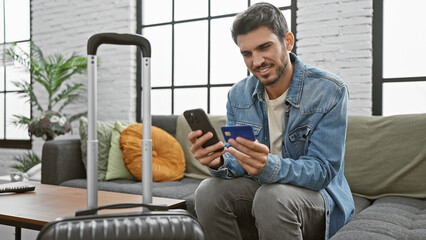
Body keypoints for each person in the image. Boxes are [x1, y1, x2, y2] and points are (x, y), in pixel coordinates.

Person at [188, 2, 354, 240]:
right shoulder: (238, 95)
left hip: (318, 196)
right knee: (207, 191)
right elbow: (238, 162)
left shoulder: (330, 90)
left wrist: (270, 166)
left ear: (288, 41)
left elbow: (322, 170)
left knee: (272, 197)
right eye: (247, 53)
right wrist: (218, 161)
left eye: (264, 47)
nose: (256, 62)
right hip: (263, 188)